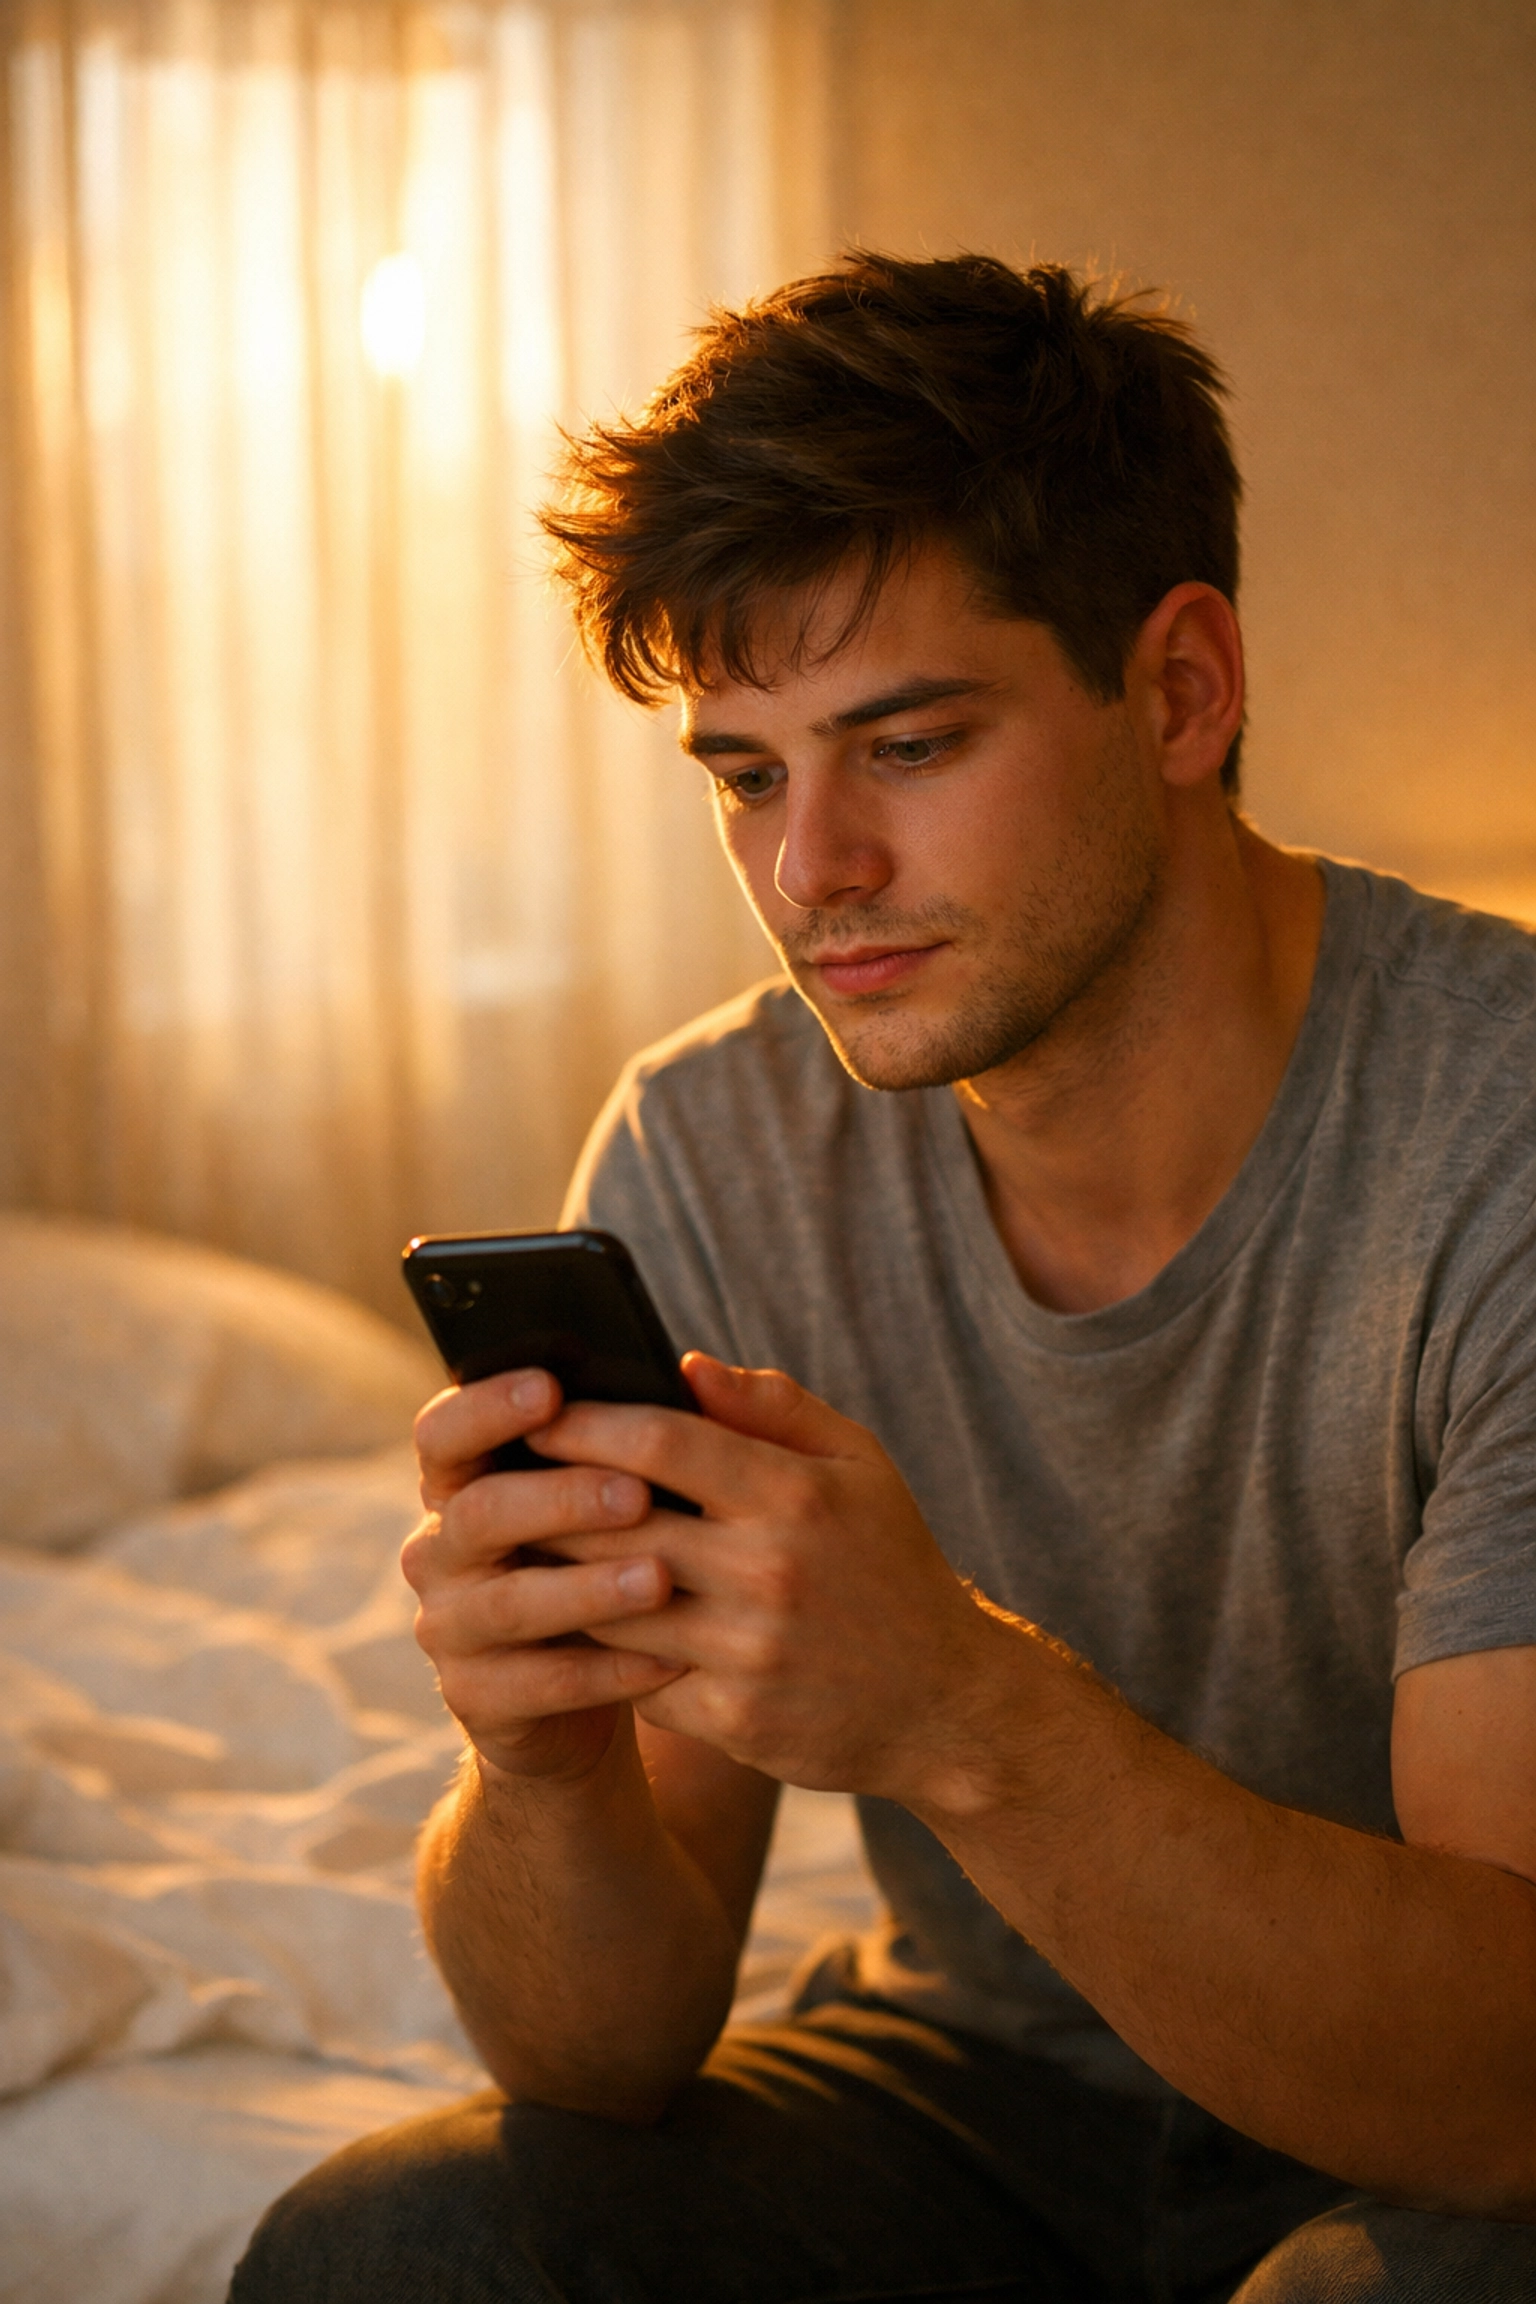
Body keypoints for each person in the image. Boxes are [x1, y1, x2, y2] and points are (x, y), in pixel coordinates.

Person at [230, 254, 1536, 2301]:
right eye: (747, 776)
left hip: (1430, 2141)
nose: (807, 871)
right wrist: (541, 1763)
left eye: (907, 746)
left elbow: (1507, 2088)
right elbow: (600, 2050)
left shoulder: (1498, 1137)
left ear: (1183, 690)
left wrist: (960, 1707)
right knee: (398, 2244)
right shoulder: (713, 1148)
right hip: (993, 2106)